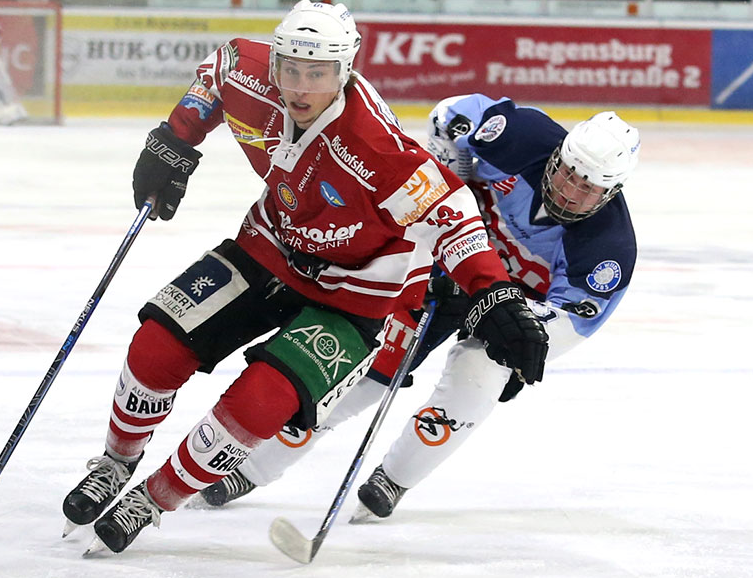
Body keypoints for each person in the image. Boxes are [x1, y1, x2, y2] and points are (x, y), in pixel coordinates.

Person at [61, 1, 549, 555]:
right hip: (267, 247)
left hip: (355, 292)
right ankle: (114, 464)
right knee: (154, 350)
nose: (300, 85)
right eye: (290, 68)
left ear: (346, 70)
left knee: (261, 402)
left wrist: (495, 294)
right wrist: (177, 136)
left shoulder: (374, 145)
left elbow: (452, 209)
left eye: (318, 73)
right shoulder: (251, 72)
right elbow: (215, 71)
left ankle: (151, 499)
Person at [197, 94, 639, 522]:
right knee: (364, 370)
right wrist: (452, 184)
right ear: (559, 155)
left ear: (611, 191)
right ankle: (252, 469)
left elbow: (568, 321)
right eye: (567, 172)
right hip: (447, 255)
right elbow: (449, 118)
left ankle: (394, 478)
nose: (568, 190)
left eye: (588, 187)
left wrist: (519, 340)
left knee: (478, 379)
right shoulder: (522, 135)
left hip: (505, 303)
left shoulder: (608, 251)